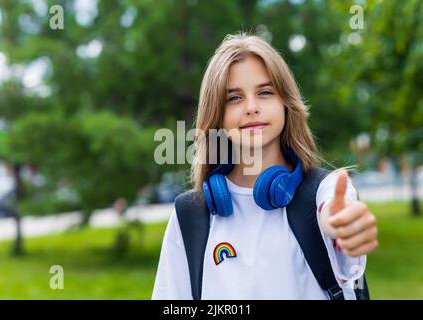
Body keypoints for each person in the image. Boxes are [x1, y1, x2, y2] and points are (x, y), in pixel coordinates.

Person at [152, 32, 378, 300]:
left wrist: (341, 227)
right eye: (234, 98)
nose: (251, 107)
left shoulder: (325, 191)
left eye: (265, 92)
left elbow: (336, 214)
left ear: (285, 103)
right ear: (217, 116)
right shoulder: (189, 217)